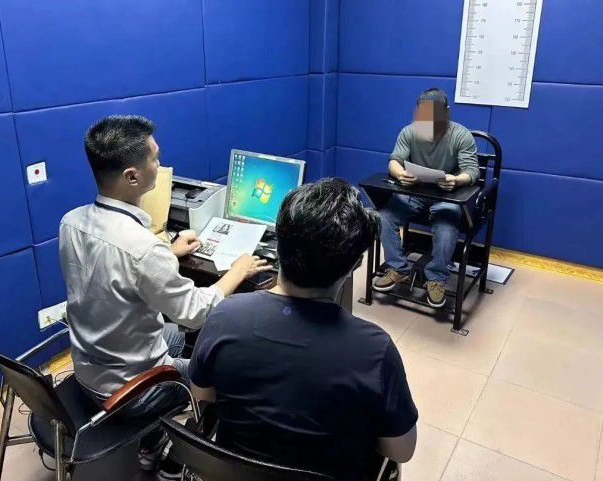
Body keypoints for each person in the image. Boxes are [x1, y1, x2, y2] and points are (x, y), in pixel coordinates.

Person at [59, 115, 270, 480]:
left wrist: (168, 253)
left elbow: (109, 272)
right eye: (155, 158)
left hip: (90, 369)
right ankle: (178, 458)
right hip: (130, 392)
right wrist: (237, 271)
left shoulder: (71, 222)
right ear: (132, 176)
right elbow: (196, 312)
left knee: (174, 336)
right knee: (225, 374)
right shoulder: (141, 248)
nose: (160, 164)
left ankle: (152, 440)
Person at [187, 178, 418, 481]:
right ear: (355, 265)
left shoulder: (224, 316)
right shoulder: (375, 350)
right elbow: (401, 450)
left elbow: (202, 394)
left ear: (279, 244)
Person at [373, 88, 479, 307]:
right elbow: (394, 160)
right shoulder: (409, 132)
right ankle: (398, 268)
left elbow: (472, 171)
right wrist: (400, 174)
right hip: (414, 192)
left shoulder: (461, 135)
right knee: (383, 217)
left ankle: (436, 278)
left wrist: (456, 179)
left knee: (446, 229)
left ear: (446, 112)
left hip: (446, 195)